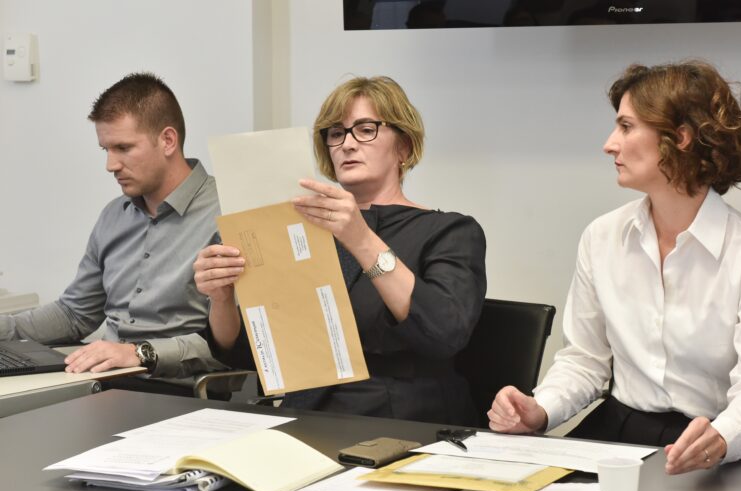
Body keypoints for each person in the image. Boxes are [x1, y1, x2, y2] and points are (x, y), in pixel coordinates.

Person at [488, 61, 741, 473]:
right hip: (618, 432)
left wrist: (722, 438)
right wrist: (539, 409)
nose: (609, 144)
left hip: (712, 445)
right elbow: (585, 360)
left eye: (626, 127)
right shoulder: (602, 236)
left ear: (680, 137)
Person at [194, 76, 487, 425]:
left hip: (403, 418)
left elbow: (445, 331)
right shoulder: (302, 232)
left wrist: (361, 239)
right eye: (336, 133)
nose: (347, 144)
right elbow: (245, 352)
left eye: (365, 129)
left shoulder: (450, 231)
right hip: (304, 413)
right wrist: (222, 298)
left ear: (404, 147)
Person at [0, 73, 227, 393]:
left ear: (167, 140)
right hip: (102, 383)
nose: (110, 165)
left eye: (123, 148)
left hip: (175, 389)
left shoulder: (230, 212)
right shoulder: (114, 215)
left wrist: (139, 353)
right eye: (105, 149)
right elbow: (74, 314)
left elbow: (236, 344)